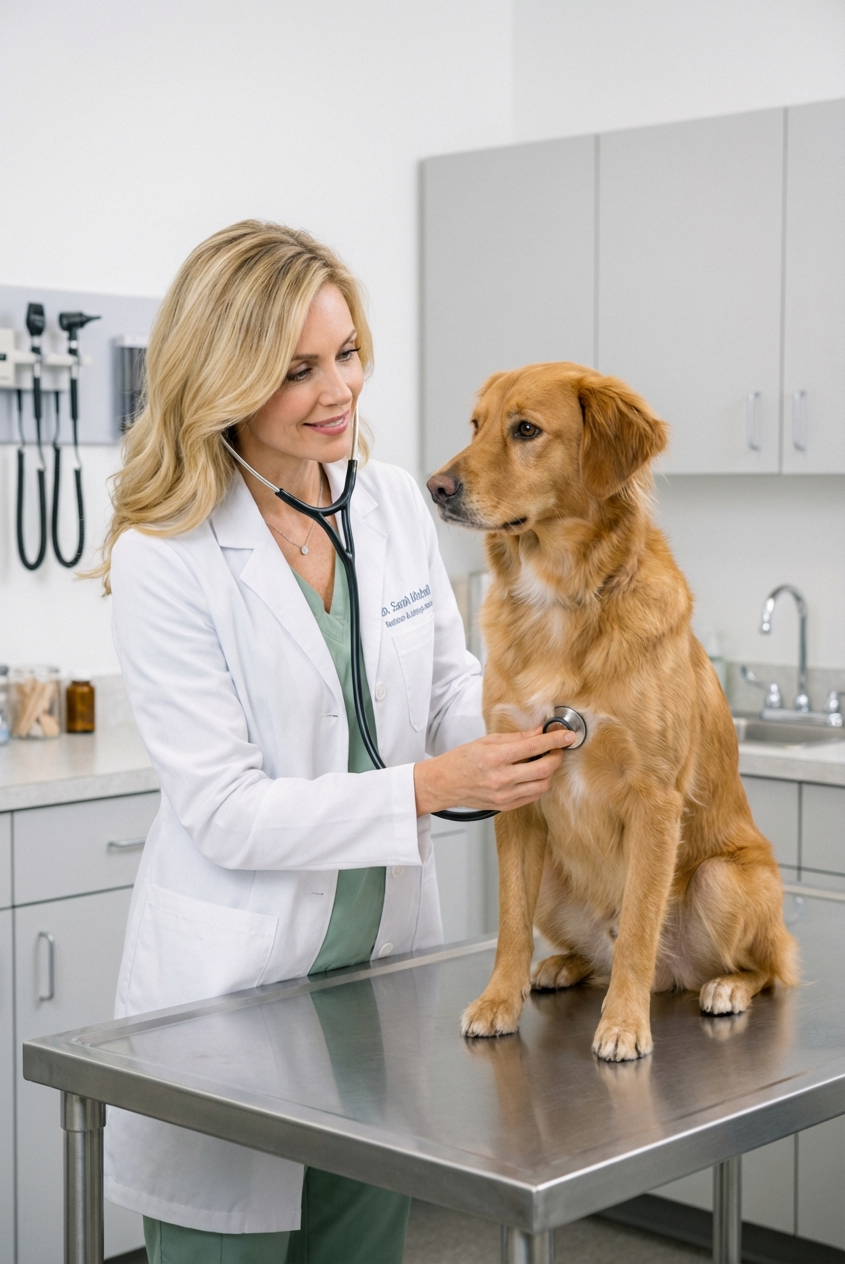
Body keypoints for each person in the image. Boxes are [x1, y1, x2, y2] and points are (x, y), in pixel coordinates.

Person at [97, 220, 573, 1264]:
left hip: (369, 1000)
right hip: (229, 1006)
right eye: (296, 369)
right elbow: (224, 812)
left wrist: (509, 732)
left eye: (347, 352)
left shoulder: (393, 501)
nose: (337, 390)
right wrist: (428, 783)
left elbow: (446, 684)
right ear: (221, 376)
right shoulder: (165, 555)